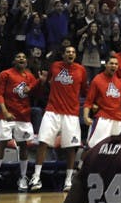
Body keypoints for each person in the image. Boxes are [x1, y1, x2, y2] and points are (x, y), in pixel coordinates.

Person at [30, 45, 88, 191]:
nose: (71, 54)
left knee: (71, 148)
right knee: (42, 142)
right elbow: (47, 82)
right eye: (68, 52)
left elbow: (85, 91)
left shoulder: (81, 70)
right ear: (63, 55)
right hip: (52, 111)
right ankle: (36, 177)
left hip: (71, 114)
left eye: (73, 52)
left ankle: (68, 180)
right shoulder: (55, 66)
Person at [0, 52, 46, 192]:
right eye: (18, 57)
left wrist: (40, 82)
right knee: (3, 143)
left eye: (24, 57)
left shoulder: (30, 76)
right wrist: (5, 111)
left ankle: (22, 177)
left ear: (26, 62)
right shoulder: (5, 74)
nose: (21, 58)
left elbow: (37, 94)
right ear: (14, 61)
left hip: (23, 116)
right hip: (7, 115)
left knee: (23, 146)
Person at [83, 57, 121, 148]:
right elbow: (88, 101)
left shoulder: (120, 83)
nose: (113, 66)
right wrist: (86, 116)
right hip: (103, 119)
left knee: (116, 150)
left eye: (116, 64)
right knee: (93, 147)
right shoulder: (97, 80)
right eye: (111, 63)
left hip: (118, 120)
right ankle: (82, 162)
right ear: (106, 65)